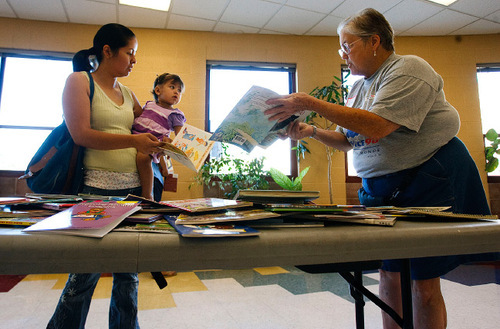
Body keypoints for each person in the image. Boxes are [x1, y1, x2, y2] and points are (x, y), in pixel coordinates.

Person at [265, 8, 498, 329]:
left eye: (347, 46)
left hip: (427, 178)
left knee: (423, 280)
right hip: (381, 190)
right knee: (388, 274)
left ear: (374, 41)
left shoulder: (409, 68)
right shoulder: (359, 88)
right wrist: (313, 132)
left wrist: (309, 102)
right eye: (340, 49)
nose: (343, 55)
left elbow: (381, 124)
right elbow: (351, 140)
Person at [47, 23, 162, 329]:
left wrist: (165, 144)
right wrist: (134, 141)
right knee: (84, 275)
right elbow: (81, 134)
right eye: (130, 52)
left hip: (134, 192)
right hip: (96, 192)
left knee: (128, 276)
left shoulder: (128, 92)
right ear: (107, 51)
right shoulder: (79, 81)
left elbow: (146, 131)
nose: (134, 60)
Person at [132, 73, 186, 200]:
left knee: (143, 157)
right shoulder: (149, 105)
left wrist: (172, 144)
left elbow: (181, 136)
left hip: (153, 142)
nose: (176, 92)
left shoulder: (175, 114)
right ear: (157, 90)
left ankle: (147, 193)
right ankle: (164, 168)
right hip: (134, 135)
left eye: (179, 90)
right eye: (172, 87)